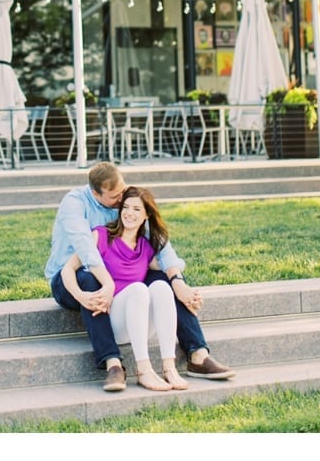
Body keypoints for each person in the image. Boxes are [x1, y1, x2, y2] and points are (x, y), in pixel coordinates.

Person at [45, 162, 235, 392]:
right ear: (96, 193)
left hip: (115, 276)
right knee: (90, 280)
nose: (122, 199)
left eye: (123, 191)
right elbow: (86, 250)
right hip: (72, 278)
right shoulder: (74, 203)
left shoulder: (126, 204)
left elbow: (158, 245)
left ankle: (197, 353)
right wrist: (103, 285)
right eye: (115, 196)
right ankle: (113, 364)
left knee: (162, 280)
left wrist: (179, 281)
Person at [59, 186, 186, 391]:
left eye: (137, 209)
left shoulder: (146, 247)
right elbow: (68, 270)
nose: (129, 213)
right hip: (113, 320)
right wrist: (81, 296)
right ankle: (144, 371)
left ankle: (169, 368)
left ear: (146, 215)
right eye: (126, 207)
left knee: (162, 286)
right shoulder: (101, 235)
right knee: (138, 289)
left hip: (140, 323)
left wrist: (183, 285)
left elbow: (170, 265)